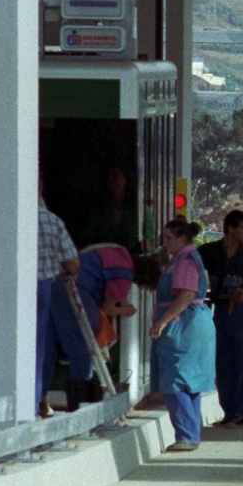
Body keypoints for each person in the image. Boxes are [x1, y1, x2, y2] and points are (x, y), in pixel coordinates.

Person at [146, 218, 217, 452]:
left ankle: (186, 435)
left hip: (184, 325)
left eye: (169, 238)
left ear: (182, 239)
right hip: (192, 324)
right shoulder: (182, 259)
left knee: (174, 379)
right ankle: (191, 434)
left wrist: (162, 321)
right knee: (189, 382)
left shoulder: (185, 261)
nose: (165, 243)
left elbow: (185, 295)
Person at [44, 242, 137, 411]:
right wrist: (127, 309)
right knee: (83, 349)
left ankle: (40, 400)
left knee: (47, 349)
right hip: (74, 292)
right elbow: (108, 308)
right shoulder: (124, 275)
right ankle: (81, 407)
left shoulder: (115, 253)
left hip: (56, 285)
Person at [198, 209, 243, 429]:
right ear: (230, 228)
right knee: (224, 365)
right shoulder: (209, 252)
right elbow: (192, 266)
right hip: (220, 312)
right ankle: (229, 413)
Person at [35, 177, 80, 416]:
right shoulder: (52, 222)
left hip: (7, 289)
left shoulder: (5, 218)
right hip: (43, 287)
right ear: (41, 188)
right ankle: (35, 402)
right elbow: (72, 263)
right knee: (39, 347)